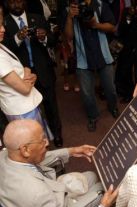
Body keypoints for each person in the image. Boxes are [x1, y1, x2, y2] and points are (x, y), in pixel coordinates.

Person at [0, 119, 118, 207]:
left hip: (36, 203)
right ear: (25, 150)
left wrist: (72, 151)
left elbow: (36, 158)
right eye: (42, 140)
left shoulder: (5, 155)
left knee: (92, 176)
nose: (47, 143)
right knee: (106, 188)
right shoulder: (38, 194)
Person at [3, 0, 63, 147]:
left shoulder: (37, 17)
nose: (16, 5)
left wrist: (44, 38)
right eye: (12, 2)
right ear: (6, 4)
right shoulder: (4, 23)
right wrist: (18, 37)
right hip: (20, 76)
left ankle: (57, 134)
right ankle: (36, 142)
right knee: (30, 110)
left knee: (51, 105)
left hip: (43, 70)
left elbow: (53, 40)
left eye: (19, 1)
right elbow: (3, 48)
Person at [65, 0, 119, 132]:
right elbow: (69, 36)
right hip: (83, 58)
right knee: (87, 93)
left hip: (103, 55)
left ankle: (113, 107)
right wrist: (69, 17)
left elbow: (112, 27)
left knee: (110, 88)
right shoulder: (72, 8)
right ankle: (93, 116)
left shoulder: (100, 4)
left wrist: (95, 25)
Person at [0, 5, 46, 134]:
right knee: (34, 147)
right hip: (21, 111)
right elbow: (25, 89)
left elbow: (21, 76)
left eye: (2, 24)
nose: (3, 29)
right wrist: (27, 74)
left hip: (24, 107)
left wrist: (27, 76)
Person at [115, 1, 137, 103]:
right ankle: (129, 94)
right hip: (128, 49)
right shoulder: (127, 11)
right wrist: (128, 17)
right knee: (126, 73)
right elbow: (121, 31)